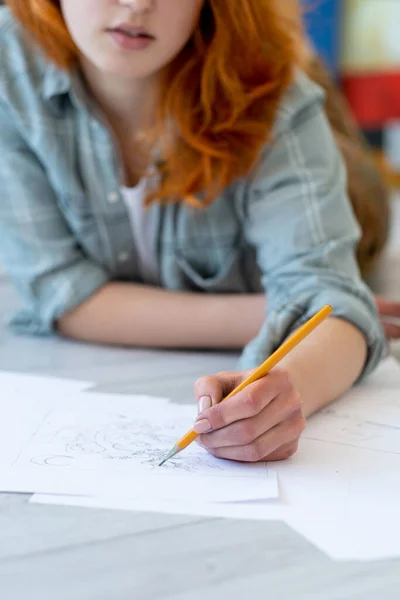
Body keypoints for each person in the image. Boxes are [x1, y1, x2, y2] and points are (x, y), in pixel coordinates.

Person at [0, 0, 392, 464]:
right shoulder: (12, 65)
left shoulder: (275, 93)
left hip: (351, 194)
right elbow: (63, 294)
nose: (137, 4)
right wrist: (276, 316)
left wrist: (289, 387)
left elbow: (334, 304)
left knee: (358, 197)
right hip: (257, 280)